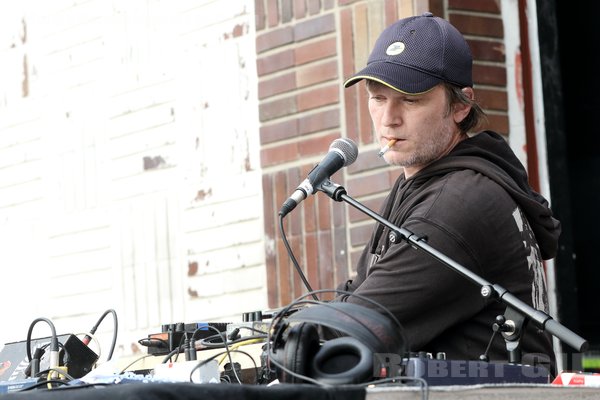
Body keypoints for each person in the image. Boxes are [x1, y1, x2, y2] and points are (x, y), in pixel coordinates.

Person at [336, 12, 560, 373]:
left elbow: (355, 327)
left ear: (461, 106)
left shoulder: (457, 203)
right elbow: (358, 295)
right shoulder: (425, 184)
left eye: (409, 100)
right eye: (378, 98)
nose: (388, 118)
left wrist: (287, 339)